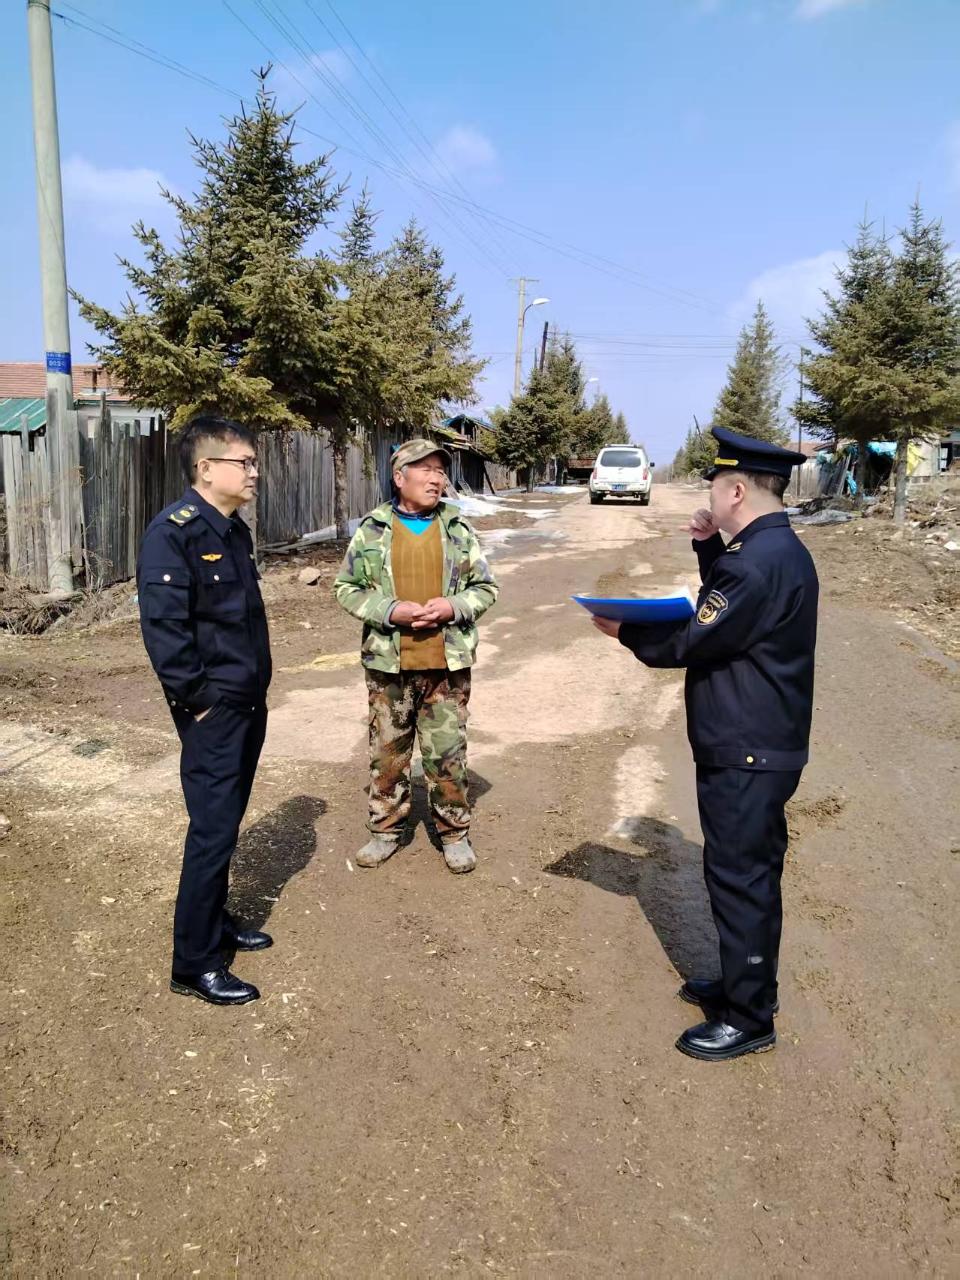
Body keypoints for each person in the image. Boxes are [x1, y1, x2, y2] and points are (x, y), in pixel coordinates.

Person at [592, 426, 819, 1061]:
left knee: (740, 879)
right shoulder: (769, 550)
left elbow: (699, 635)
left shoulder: (756, 562)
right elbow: (729, 611)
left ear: (737, 491)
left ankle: (749, 1018)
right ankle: (748, 985)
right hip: (760, 742)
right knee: (749, 873)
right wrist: (707, 546)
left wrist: (624, 632)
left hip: (746, 748)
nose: (710, 496)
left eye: (716, 487)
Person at [137, 415, 273, 1006]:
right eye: (245, 462)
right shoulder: (175, 533)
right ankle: (193, 962)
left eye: (254, 462)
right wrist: (200, 705)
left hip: (246, 702)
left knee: (227, 820)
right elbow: (164, 632)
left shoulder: (233, 531)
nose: (254, 472)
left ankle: (216, 922)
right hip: (214, 711)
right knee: (212, 831)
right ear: (206, 468)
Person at [334, 438, 499, 873]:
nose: (435, 478)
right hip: (388, 665)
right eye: (425, 469)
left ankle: (454, 833)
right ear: (399, 477)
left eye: (440, 471)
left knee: (447, 755)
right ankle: (385, 831)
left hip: (446, 665)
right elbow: (346, 588)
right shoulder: (373, 529)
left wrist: (452, 607)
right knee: (388, 753)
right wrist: (390, 610)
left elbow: (486, 588)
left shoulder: (458, 528)